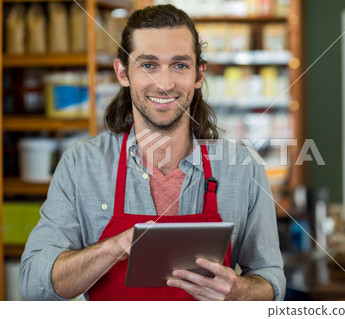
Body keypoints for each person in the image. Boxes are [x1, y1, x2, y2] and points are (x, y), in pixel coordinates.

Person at [19, 4, 285, 301]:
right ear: (123, 72)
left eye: (180, 65)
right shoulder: (82, 163)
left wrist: (241, 291)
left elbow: (271, 280)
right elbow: (33, 284)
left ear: (199, 75)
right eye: (148, 65)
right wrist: (112, 248)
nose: (165, 83)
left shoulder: (243, 169)